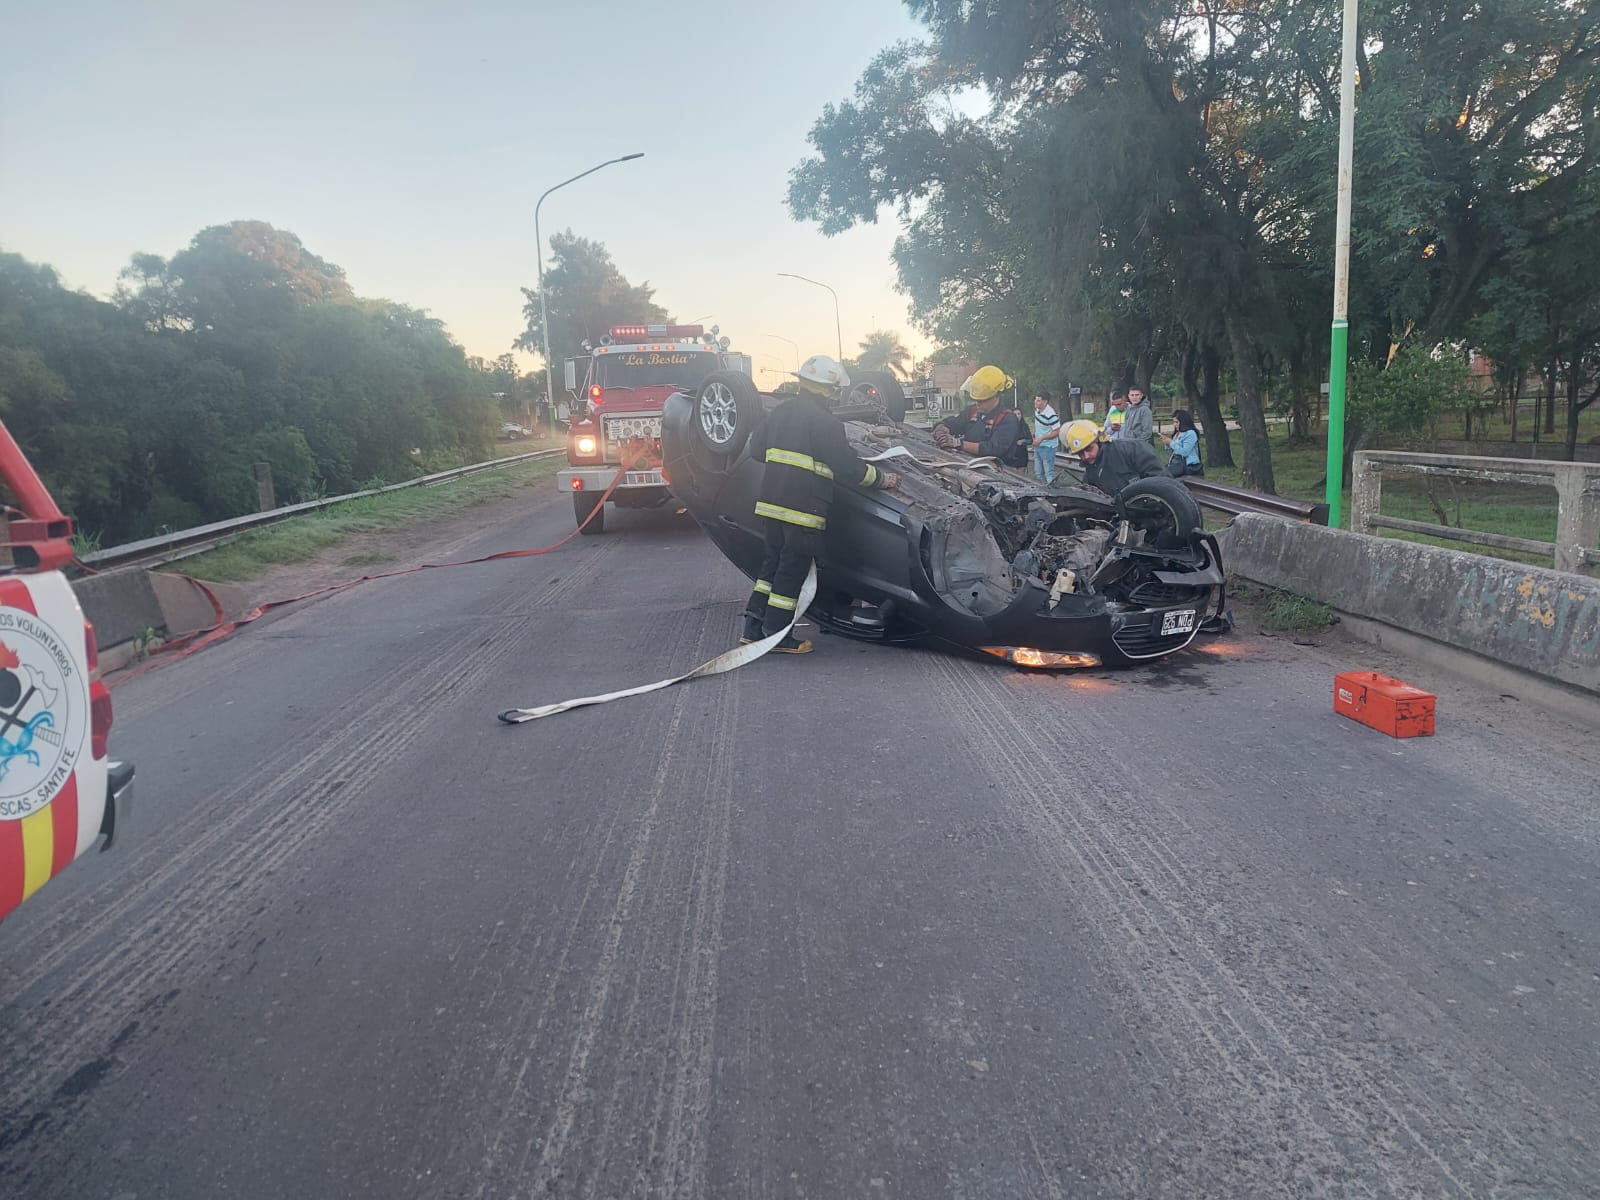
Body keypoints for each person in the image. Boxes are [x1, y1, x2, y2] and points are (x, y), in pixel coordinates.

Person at [740, 354, 902, 654]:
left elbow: (757, 450)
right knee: (791, 571)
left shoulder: (777, 413)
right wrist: (882, 479)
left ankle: (752, 627)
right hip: (803, 510)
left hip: (771, 503)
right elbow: (847, 469)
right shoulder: (826, 422)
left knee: (771, 566)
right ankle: (776, 635)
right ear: (829, 389)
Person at [933, 365, 1030, 467]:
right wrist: (941, 428)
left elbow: (994, 449)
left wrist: (958, 443)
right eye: (976, 400)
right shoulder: (972, 411)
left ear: (996, 396)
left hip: (1000, 474)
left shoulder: (1008, 418)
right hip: (970, 466)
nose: (977, 403)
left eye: (982, 400)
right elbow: (953, 423)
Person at [1062, 419, 1164, 496]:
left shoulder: (1133, 450)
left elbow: (1163, 481)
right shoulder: (1090, 471)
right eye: (1080, 454)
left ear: (1100, 441)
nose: (1086, 456)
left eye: (1089, 449)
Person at [1161, 409, 1204, 477]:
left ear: (1183, 422)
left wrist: (1171, 442)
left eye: (1176, 422)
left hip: (1188, 466)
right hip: (1176, 464)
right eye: (1173, 422)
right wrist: (1167, 443)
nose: (1174, 425)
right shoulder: (1177, 434)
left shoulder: (1190, 433)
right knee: (1158, 472)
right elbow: (1174, 451)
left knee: (1164, 475)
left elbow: (1185, 452)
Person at [1031, 390, 1061, 484]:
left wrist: (1042, 438)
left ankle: (1052, 492)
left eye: (1038, 400)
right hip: (1038, 444)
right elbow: (1037, 423)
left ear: (1045, 401)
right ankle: (1042, 491)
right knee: (1038, 473)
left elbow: (1057, 431)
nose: (1036, 402)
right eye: (1035, 400)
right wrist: (1034, 434)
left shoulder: (1050, 414)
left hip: (1048, 446)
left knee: (1049, 472)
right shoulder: (1037, 410)